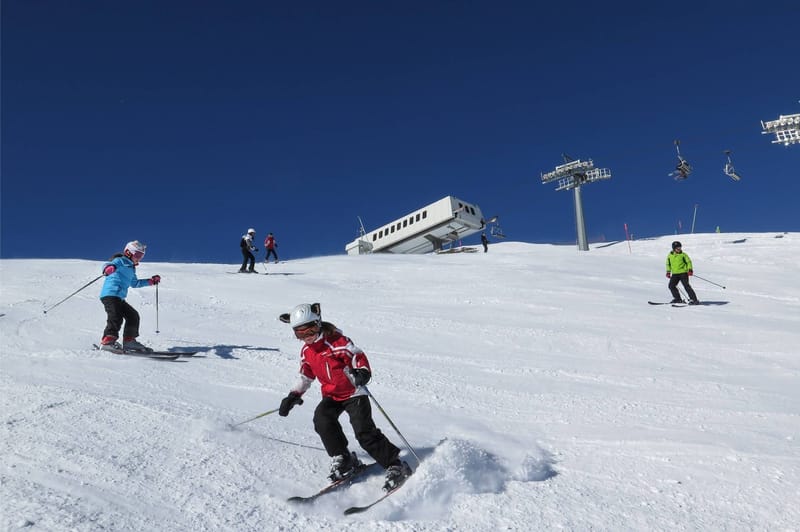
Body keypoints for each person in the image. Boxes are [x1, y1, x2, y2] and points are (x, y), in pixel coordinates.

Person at [277, 303, 413, 491]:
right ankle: (344, 458)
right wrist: (293, 395)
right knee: (322, 420)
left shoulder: (337, 342)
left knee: (364, 433)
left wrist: (362, 372)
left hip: (354, 393)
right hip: (332, 395)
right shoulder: (307, 352)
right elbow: (306, 376)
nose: (307, 337)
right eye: (300, 334)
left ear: (318, 324)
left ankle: (395, 464)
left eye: (310, 330)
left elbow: (357, 356)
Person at [98, 240, 161, 352]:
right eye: (137, 255)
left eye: (141, 256)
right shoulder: (120, 260)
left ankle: (129, 341)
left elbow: (135, 283)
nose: (139, 258)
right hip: (110, 294)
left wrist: (150, 281)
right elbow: (107, 264)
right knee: (116, 316)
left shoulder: (131, 268)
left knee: (133, 316)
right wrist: (107, 268)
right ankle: (108, 341)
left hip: (119, 298)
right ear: (128, 252)